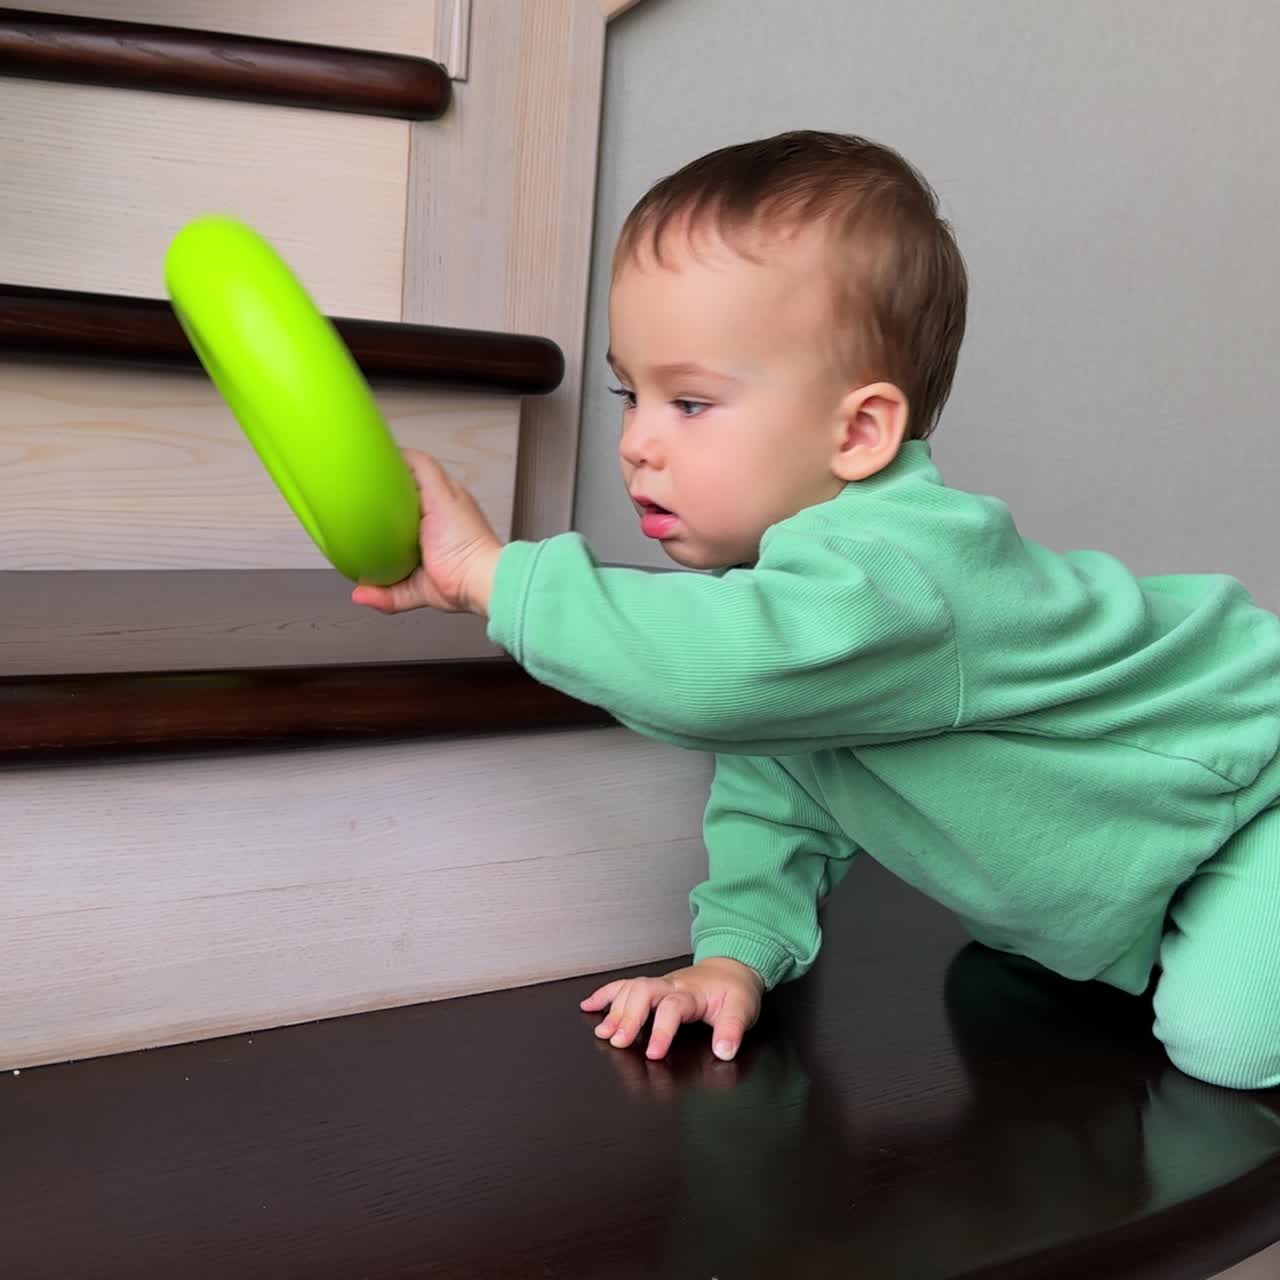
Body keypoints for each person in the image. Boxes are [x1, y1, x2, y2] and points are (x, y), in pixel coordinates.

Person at [353, 130, 1280, 1091]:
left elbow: (714, 679)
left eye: (693, 403)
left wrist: (491, 577)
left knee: (1228, 1044)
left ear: (860, 431)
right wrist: (735, 954)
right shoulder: (792, 603)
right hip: (1170, 842)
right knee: (1031, 961)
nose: (635, 443)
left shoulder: (902, 569)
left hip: (1259, 790)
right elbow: (776, 787)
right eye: (634, 394)